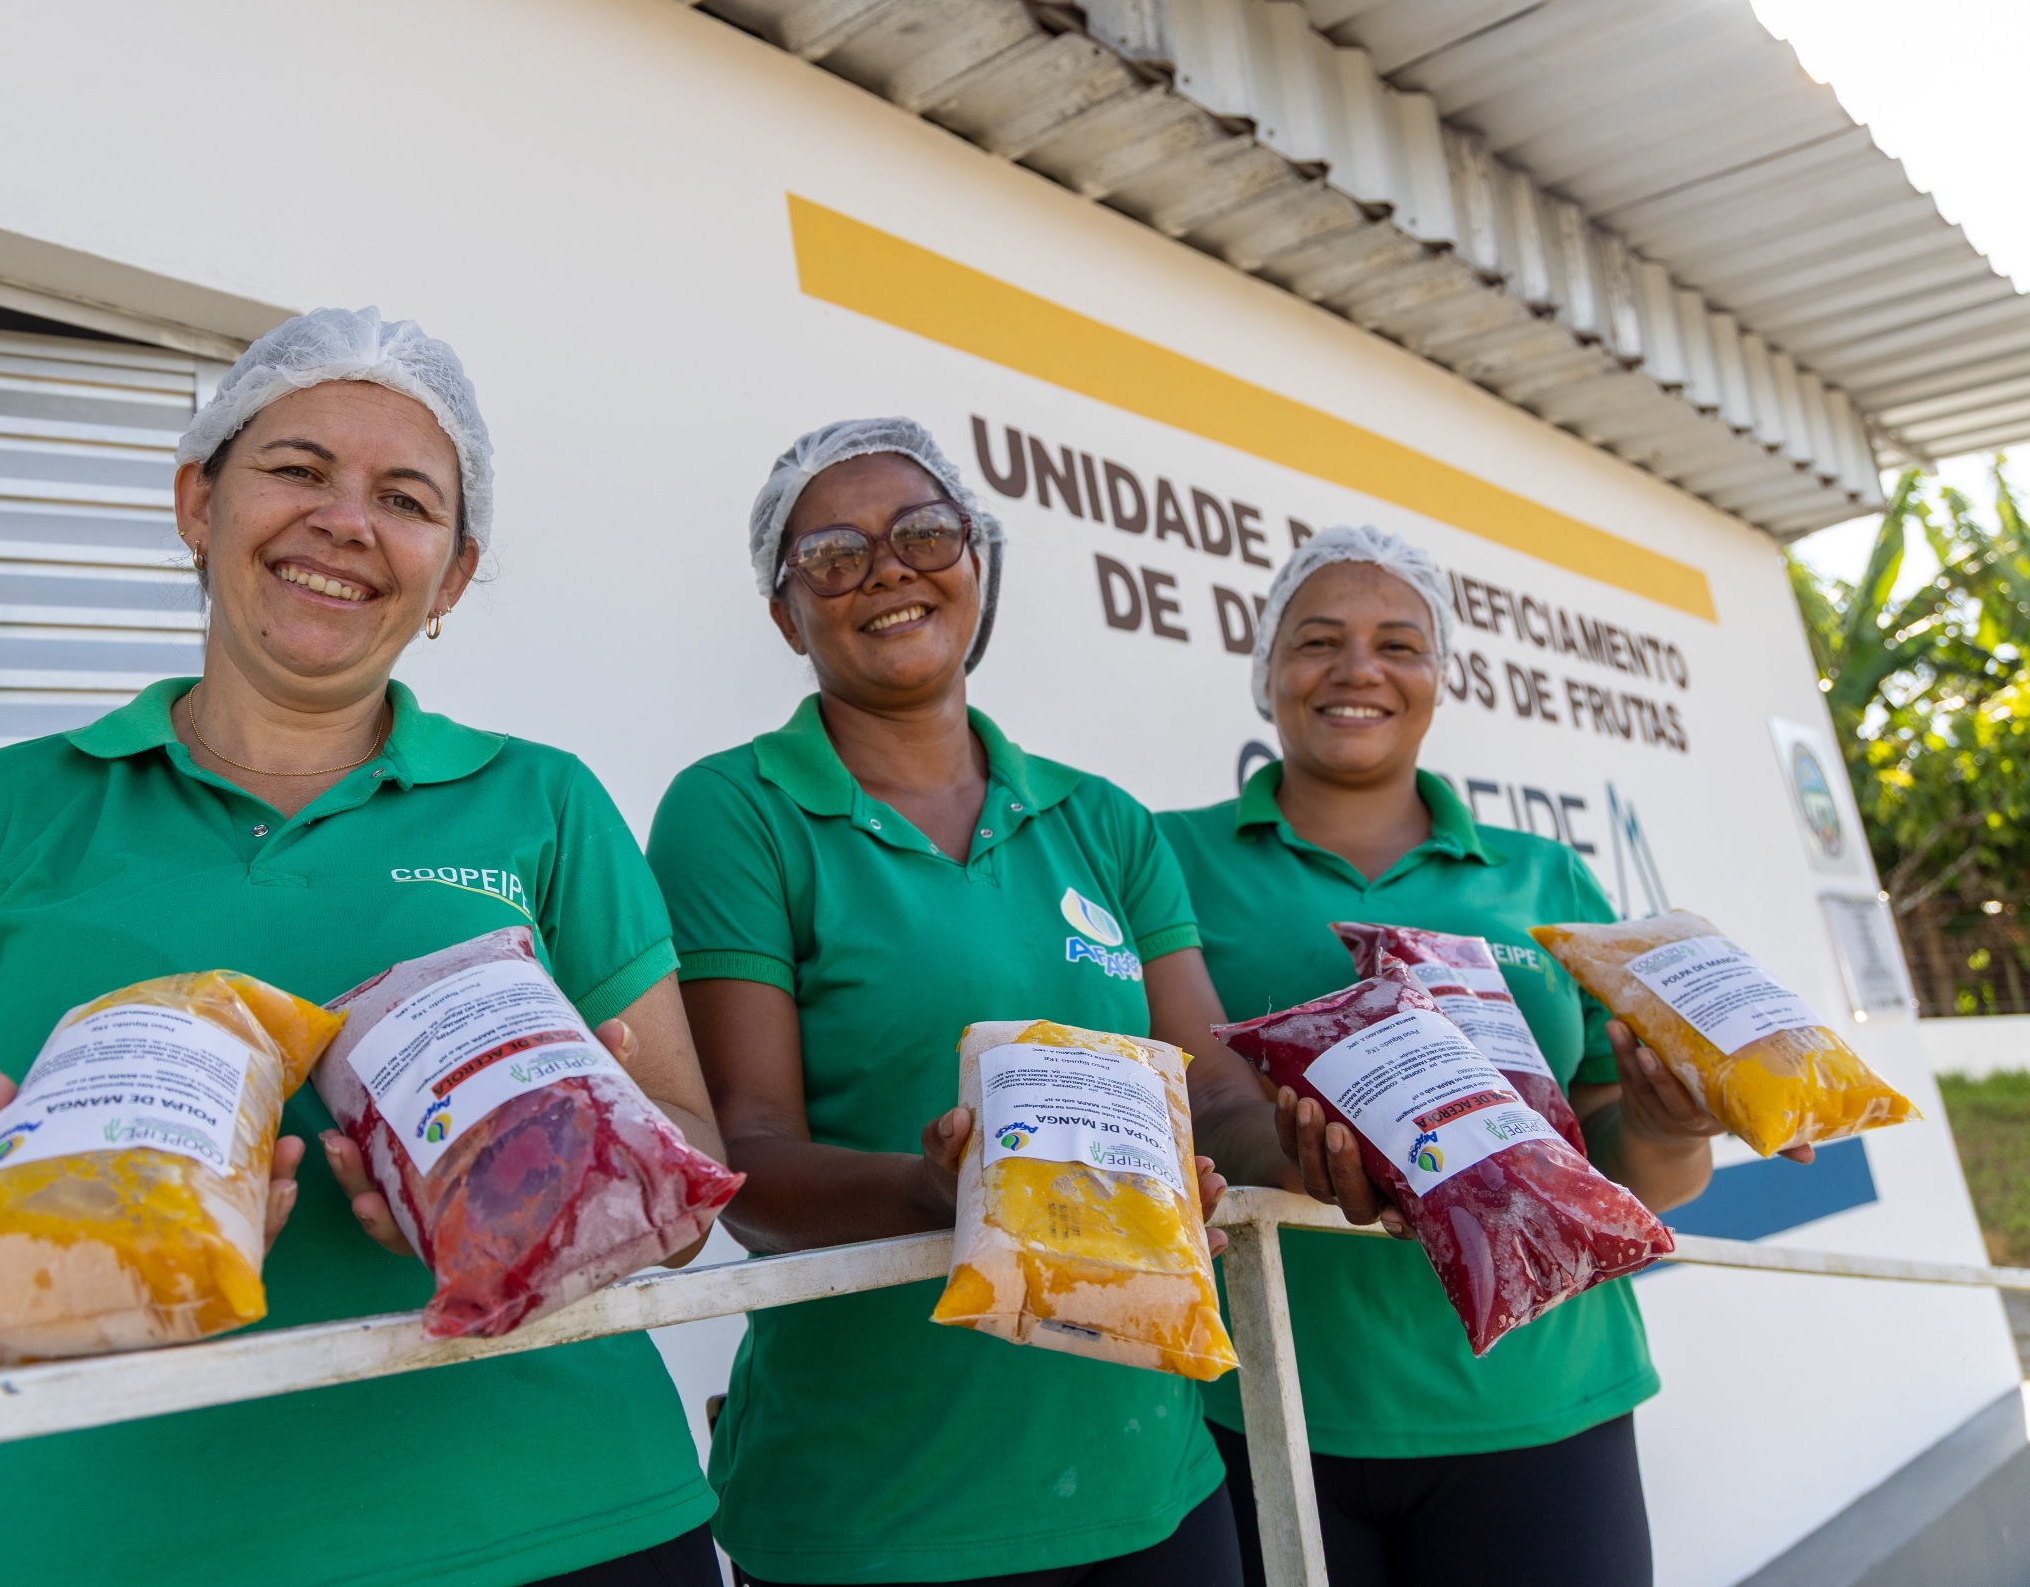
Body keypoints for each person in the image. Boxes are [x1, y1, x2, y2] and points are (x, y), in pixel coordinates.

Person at [0, 307, 731, 1587]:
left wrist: (566, 1171)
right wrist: (33, 1222)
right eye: (295, 468)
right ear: (196, 504)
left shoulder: (543, 802)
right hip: (113, 1553)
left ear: (450, 577)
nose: (345, 519)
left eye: (405, 495)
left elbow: (690, 1185)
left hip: (566, 1522)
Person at [647, 418, 1271, 1587]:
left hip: (1147, 1476)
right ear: (786, 614)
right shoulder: (736, 811)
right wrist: (938, 1192)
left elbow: (1215, 1085)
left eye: (926, 532)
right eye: (830, 553)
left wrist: (1321, 1148)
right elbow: (745, 1155)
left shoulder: (1102, 820)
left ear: (979, 566)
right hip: (875, 1502)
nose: (888, 565)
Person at [1156, 525, 1808, 1587]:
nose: (1358, 668)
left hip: (1543, 1403)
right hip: (1270, 1402)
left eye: (1398, 643)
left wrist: (1665, 1121)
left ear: (1439, 676)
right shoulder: (1166, 857)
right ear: (1265, 667)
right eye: (1318, 639)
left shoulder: (1542, 878)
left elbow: (1634, 1173)